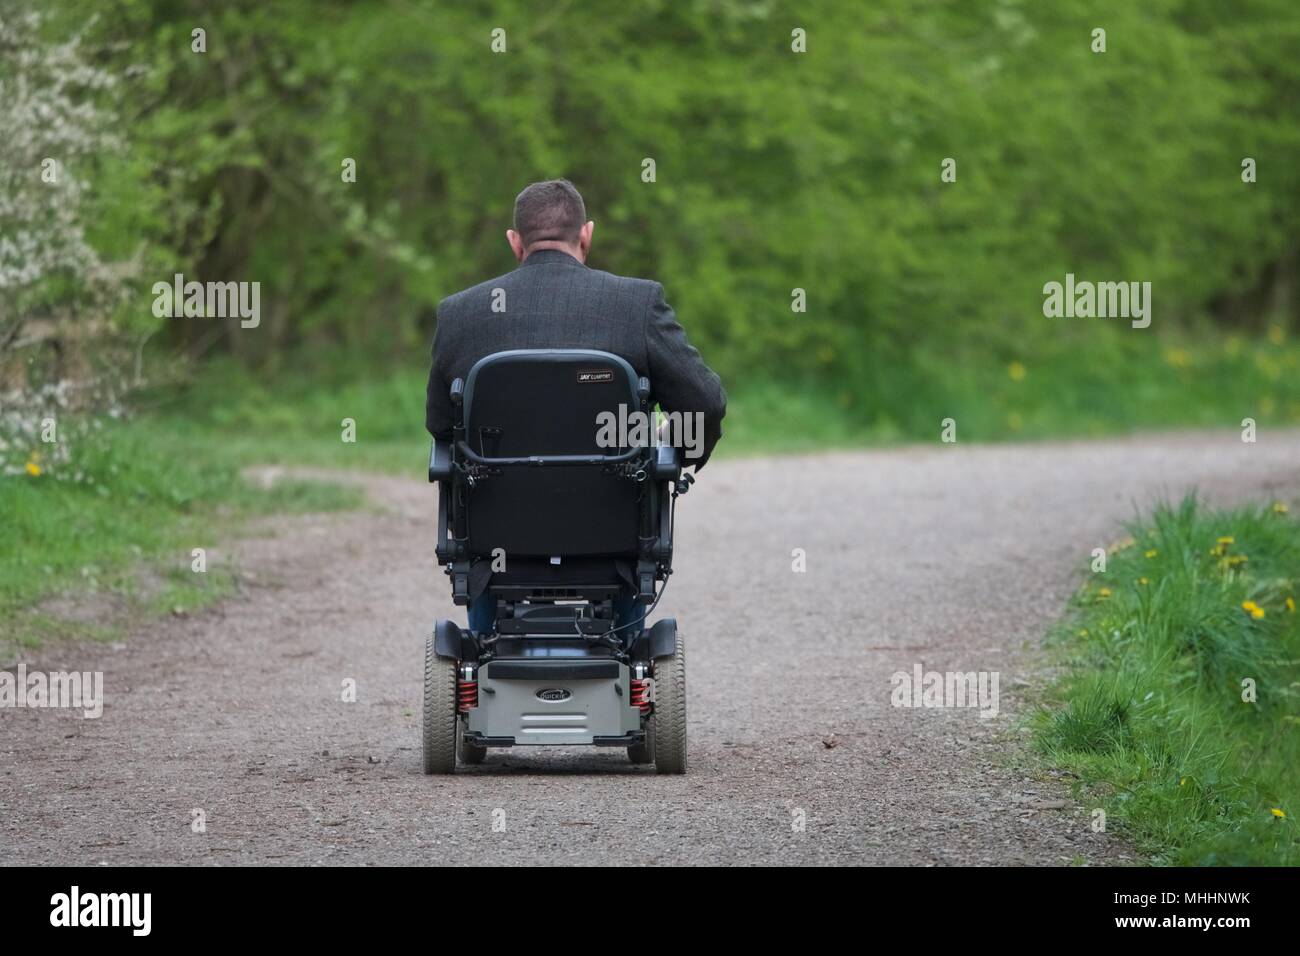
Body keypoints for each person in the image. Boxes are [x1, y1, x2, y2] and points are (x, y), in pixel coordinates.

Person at [425, 179, 726, 634]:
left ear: (514, 242)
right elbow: (704, 405)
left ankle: (485, 654)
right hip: (613, 543)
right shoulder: (637, 304)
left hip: (499, 544)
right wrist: (671, 447)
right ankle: (623, 653)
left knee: (484, 543)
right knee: (632, 513)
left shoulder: (460, 314)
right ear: (586, 234)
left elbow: (443, 431)